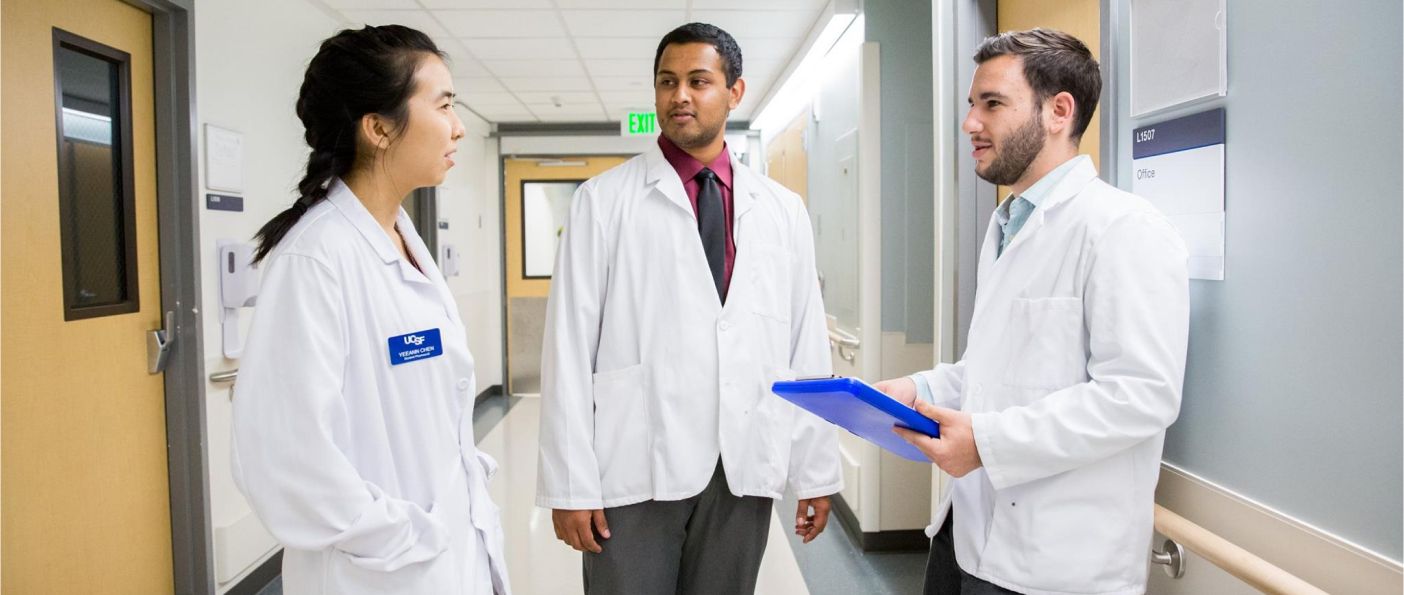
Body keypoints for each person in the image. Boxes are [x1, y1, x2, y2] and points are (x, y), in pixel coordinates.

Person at [877, 28, 1190, 595]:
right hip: (965, 536)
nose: (970, 123)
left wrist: (988, 443)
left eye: (991, 104)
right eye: (972, 104)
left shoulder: (1124, 230)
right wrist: (916, 386)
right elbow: (995, 373)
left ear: (1058, 111)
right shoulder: (1007, 226)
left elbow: (1141, 394)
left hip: (1056, 562)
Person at [535, 22, 842, 595]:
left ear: (735, 92)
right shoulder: (602, 203)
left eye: (699, 81)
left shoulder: (781, 210)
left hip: (743, 462)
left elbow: (806, 346)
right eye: (667, 81)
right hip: (635, 465)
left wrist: (815, 469)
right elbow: (568, 349)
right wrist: (569, 484)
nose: (680, 95)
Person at [231, 25, 509, 595]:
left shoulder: (400, 238)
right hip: (381, 573)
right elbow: (284, 460)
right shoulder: (318, 258)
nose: (458, 127)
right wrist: (405, 539)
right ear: (380, 128)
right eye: (444, 105)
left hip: (446, 552)